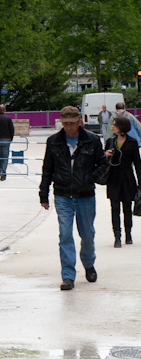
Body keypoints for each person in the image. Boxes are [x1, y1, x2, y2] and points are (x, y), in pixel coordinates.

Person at [39, 106, 108, 291]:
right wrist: (43, 195)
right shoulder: (53, 142)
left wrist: (90, 178)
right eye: (65, 123)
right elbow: (47, 169)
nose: (69, 127)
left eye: (72, 123)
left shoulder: (92, 140)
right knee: (65, 234)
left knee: (87, 234)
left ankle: (88, 263)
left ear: (79, 121)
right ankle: (68, 275)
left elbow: (103, 163)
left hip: (85, 195)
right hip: (62, 195)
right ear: (62, 123)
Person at [104, 115, 141, 248]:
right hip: (113, 179)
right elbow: (101, 162)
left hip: (127, 179)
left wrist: (140, 184)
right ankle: (117, 236)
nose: (112, 127)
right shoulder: (109, 142)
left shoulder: (132, 142)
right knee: (114, 208)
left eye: (114, 125)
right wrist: (105, 155)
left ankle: (128, 234)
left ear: (121, 127)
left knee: (126, 208)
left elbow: (138, 164)